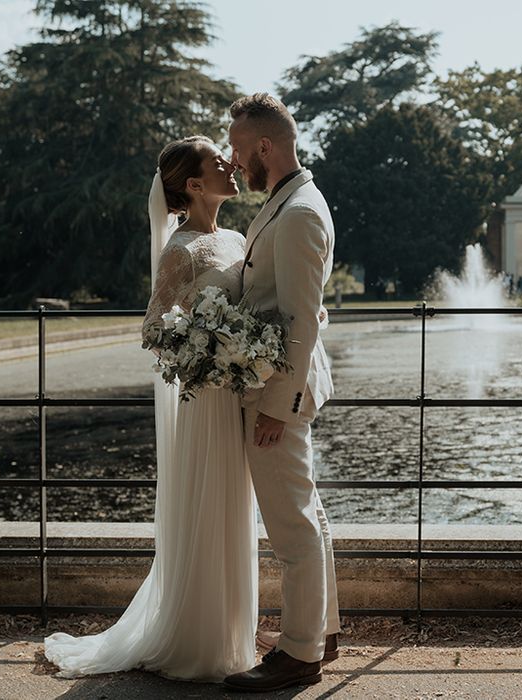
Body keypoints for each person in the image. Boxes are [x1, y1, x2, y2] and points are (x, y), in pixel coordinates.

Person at [44, 136, 259, 680]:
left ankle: (235, 638)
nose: (231, 165)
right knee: (208, 508)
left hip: (239, 392)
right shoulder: (179, 251)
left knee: (236, 511)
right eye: (218, 162)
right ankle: (196, 643)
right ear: (193, 185)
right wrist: (207, 350)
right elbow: (152, 329)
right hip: (205, 399)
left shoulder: (237, 237)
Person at [223, 93, 340, 693]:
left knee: (292, 526)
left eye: (240, 148)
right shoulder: (287, 201)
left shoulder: (297, 214)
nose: (234, 159)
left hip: (279, 398)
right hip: (279, 389)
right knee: (308, 513)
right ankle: (322, 629)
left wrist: (275, 407)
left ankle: (299, 653)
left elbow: (300, 320)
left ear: (266, 146)